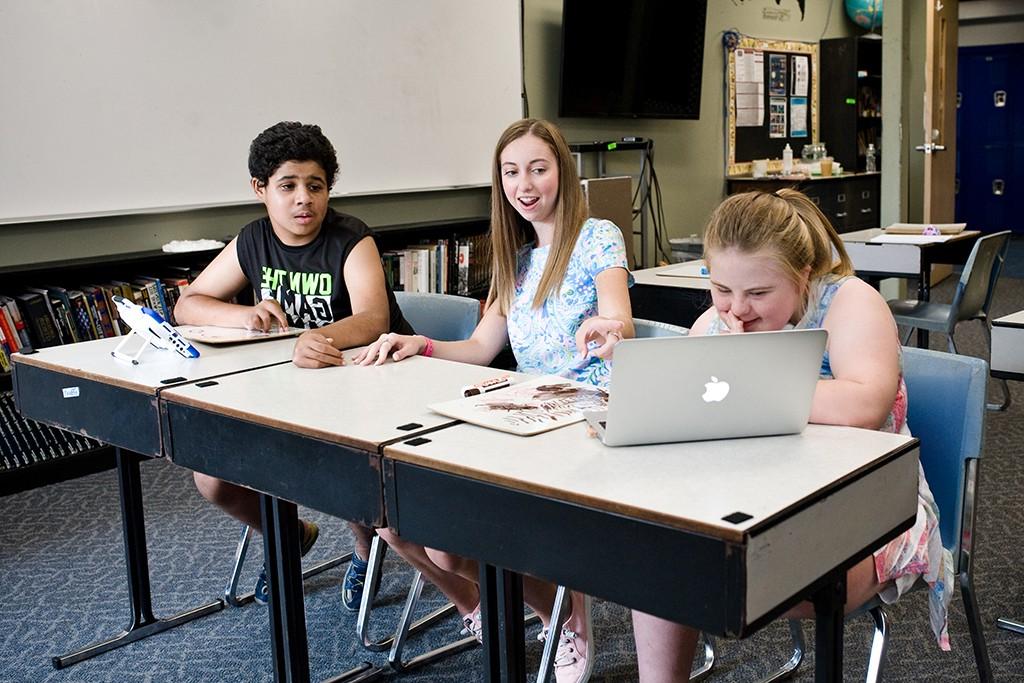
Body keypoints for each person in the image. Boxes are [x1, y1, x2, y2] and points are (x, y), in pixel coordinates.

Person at [630, 189, 954, 681]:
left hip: (872, 506)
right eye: (721, 289)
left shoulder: (849, 302)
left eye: (759, 293)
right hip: (752, 498)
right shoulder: (713, 322)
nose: (736, 310)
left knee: (733, 569)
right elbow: (690, 410)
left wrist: (743, 377)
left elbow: (865, 405)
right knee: (662, 553)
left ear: (802, 275)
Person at [353, 117, 634, 683]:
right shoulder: (515, 255)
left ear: (562, 170)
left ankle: (567, 616)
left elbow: (619, 315)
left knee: (458, 539)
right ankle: (545, 603)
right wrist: (421, 343)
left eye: (538, 168)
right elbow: (483, 347)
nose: (524, 184)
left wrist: (609, 328)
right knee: (415, 527)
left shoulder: (597, 236)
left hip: (585, 410)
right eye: (511, 172)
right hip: (524, 407)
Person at [174, 121, 412, 608]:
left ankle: (364, 552)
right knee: (210, 478)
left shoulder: (351, 238)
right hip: (288, 386)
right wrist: (246, 314)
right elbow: (188, 304)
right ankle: (288, 534)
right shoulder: (253, 240)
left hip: (368, 379)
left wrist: (317, 337)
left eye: (316, 186)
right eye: (288, 186)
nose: (304, 198)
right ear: (260, 190)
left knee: (342, 470)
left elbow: (373, 316)